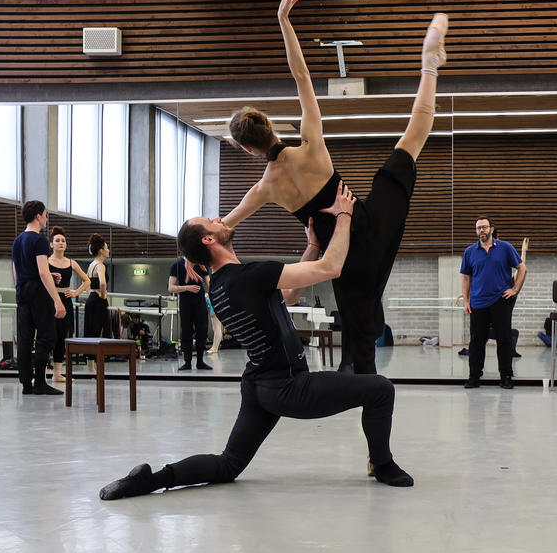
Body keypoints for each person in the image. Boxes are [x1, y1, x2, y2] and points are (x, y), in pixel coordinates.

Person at [98, 182, 414, 501]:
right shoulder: (249, 276)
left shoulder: (222, 286)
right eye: (213, 221)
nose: (222, 219)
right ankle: (383, 464)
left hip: (258, 385)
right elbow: (331, 268)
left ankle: (149, 480)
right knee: (380, 390)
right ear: (209, 239)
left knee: (229, 464)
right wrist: (344, 216)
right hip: (288, 387)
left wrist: (313, 245)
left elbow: (288, 295)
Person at [186, 0, 447, 377]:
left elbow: (221, 228)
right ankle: (429, 68)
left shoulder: (264, 189)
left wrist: (193, 259)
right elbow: (302, 76)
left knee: (360, 342)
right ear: (270, 126)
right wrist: (283, 19)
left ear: (245, 147)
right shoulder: (311, 146)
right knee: (410, 142)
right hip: (365, 220)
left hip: (343, 258)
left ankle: (363, 390)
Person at [460, 216, 527, 389]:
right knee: (476, 341)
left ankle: (506, 376)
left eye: (484, 227)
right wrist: (466, 300)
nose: (481, 230)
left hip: (500, 300)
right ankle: (474, 377)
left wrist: (515, 289)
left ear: (491, 229)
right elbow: (466, 278)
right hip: (478, 302)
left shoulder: (505, 247)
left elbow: (522, 268)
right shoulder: (469, 252)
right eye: (478, 228)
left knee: (504, 340)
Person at [12, 201, 66, 395]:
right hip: (38, 293)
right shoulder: (40, 240)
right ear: (37, 216)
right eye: (44, 214)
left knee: (25, 338)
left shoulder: (17, 241)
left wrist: (44, 276)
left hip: (22, 291)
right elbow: (43, 273)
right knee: (46, 335)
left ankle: (27, 384)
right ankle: (40, 383)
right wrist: (57, 301)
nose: (45, 218)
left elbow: (18, 273)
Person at [47, 226, 91, 382]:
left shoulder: (71, 263)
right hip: (50, 300)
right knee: (47, 336)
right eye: (57, 240)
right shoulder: (45, 261)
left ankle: (57, 374)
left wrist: (75, 293)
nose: (61, 243)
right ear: (51, 244)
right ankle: (40, 372)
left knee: (61, 336)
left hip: (65, 300)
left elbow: (87, 280)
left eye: (63, 241)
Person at [169, 258, 213, 371]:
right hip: (185, 303)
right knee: (186, 332)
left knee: (202, 331)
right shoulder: (177, 265)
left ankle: (200, 361)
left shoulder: (201, 265)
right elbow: (171, 287)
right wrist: (187, 288)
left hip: (200, 303)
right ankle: (187, 362)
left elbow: (209, 284)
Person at [83, 233, 111, 372]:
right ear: (101, 250)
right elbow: (102, 282)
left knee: (90, 330)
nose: (109, 250)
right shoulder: (100, 265)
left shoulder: (91, 265)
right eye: (107, 247)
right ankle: (98, 364)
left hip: (91, 300)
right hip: (98, 301)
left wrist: (91, 294)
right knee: (100, 330)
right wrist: (103, 295)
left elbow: (87, 282)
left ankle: (90, 366)